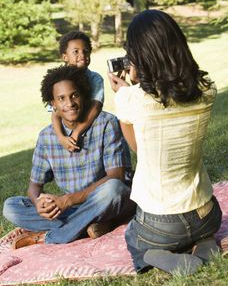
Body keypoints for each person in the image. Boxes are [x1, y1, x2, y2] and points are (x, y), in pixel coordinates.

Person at [108, 9, 222, 275]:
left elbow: (137, 148)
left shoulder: (131, 98)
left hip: (160, 223)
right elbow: (170, 93)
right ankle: (204, 241)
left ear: (138, 56)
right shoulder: (207, 90)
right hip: (207, 214)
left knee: (132, 237)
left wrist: (127, 90)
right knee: (199, 227)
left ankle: (158, 256)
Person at [3, 65, 135, 249]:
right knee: (11, 207)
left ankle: (54, 236)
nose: (69, 103)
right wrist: (39, 202)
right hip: (74, 208)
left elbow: (116, 177)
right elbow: (34, 186)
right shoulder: (47, 136)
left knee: (113, 189)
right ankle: (89, 225)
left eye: (75, 95)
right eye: (61, 98)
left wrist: (67, 200)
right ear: (53, 104)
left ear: (84, 96)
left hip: (107, 201)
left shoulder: (106, 123)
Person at [52, 30, 104, 152]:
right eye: (76, 51)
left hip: (91, 126)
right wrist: (61, 137)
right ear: (65, 57)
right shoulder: (57, 81)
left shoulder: (95, 79)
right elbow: (55, 113)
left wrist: (76, 132)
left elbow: (95, 107)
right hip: (67, 129)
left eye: (86, 51)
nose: (82, 55)